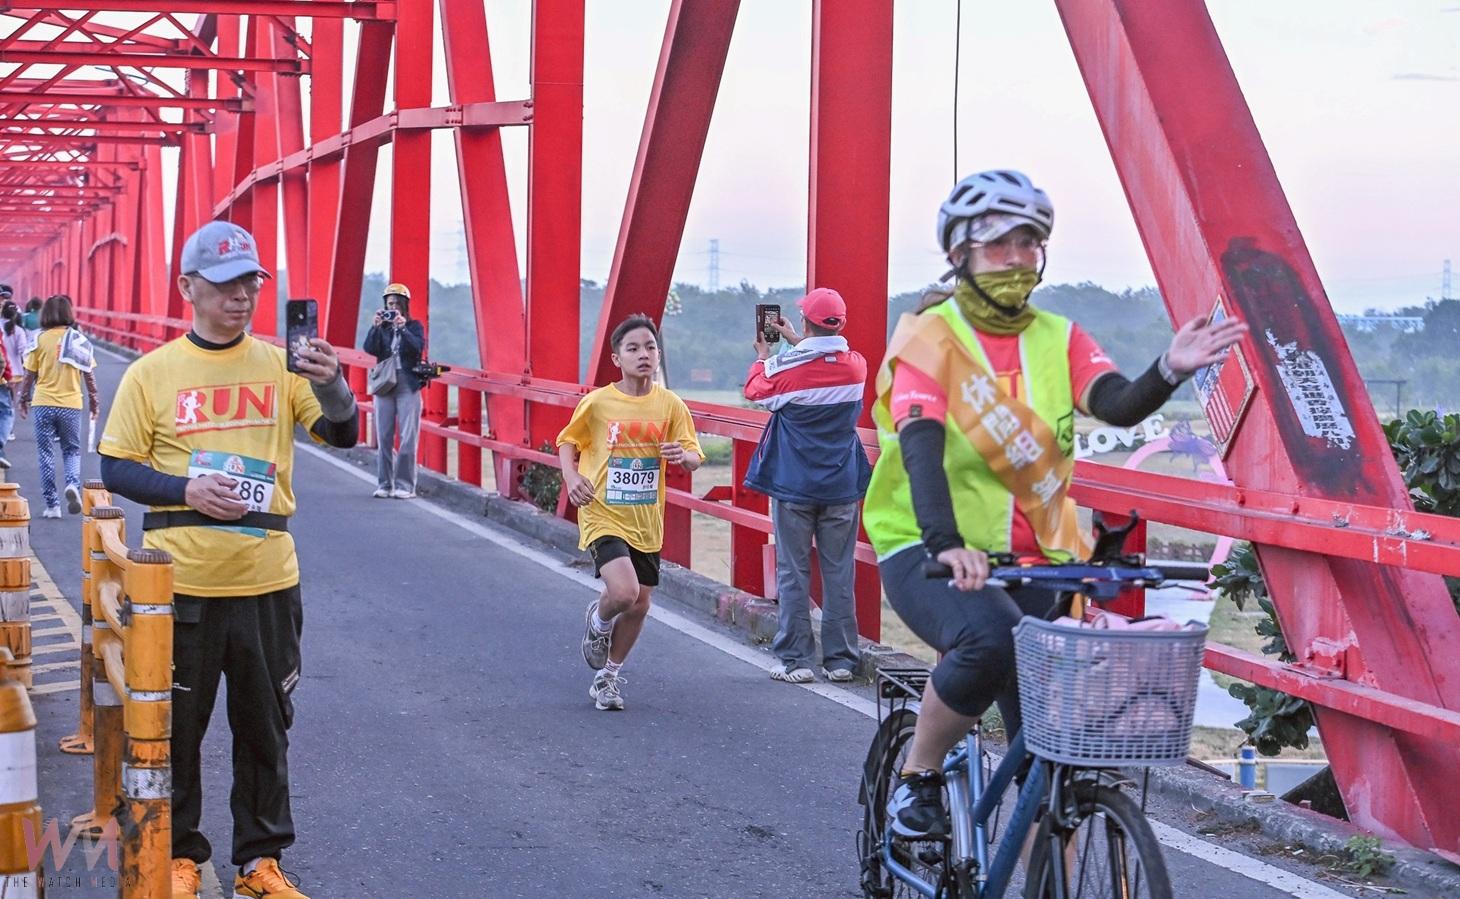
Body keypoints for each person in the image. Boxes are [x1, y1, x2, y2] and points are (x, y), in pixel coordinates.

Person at [866, 170, 1247, 839]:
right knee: (988, 640)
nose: (1016, 258)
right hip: (925, 547)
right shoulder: (929, 339)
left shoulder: (1058, 336)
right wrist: (943, 542)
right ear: (958, 254)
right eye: (998, 244)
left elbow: (1116, 403)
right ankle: (917, 776)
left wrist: (1170, 368)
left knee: (1054, 751)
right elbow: (922, 447)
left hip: (1035, 555)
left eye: (1028, 243)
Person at [98, 220, 360, 899]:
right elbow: (115, 465)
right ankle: (180, 855)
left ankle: (261, 861)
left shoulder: (280, 364)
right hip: (177, 584)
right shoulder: (153, 373)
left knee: (264, 725)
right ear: (188, 288)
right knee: (178, 728)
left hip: (267, 579)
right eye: (224, 286)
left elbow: (343, 431)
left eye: (250, 283)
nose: (240, 297)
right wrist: (185, 488)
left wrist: (333, 385)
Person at [558, 314, 703, 711]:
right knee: (624, 593)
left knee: (639, 605)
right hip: (601, 509)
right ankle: (598, 620)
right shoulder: (600, 402)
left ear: (659, 355)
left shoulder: (670, 404)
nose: (644, 354)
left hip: (645, 517)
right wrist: (571, 478)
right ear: (616, 358)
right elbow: (568, 441)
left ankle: (608, 678)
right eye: (633, 348)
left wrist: (684, 456)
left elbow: (693, 454)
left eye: (650, 347)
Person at [742, 287, 871, 683]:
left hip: (794, 485)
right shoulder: (856, 368)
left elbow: (755, 390)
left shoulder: (788, 372)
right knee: (839, 572)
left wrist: (764, 354)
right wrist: (802, 343)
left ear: (806, 322)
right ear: (841, 323)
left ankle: (797, 660)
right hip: (841, 485)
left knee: (793, 571)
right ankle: (841, 660)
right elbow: (828, 358)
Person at [18, 294, 99, 517]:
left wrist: (23, 399)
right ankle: (72, 484)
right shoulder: (79, 341)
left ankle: (52, 505)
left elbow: (29, 375)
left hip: (43, 403)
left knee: (45, 454)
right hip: (71, 405)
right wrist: (94, 402)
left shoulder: (39, 340)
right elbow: (89, 377)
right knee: (71, 451)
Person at [362, 282, 425, 499]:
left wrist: (403, 328)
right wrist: (376, 327)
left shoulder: (414, 326)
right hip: (384, 385)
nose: (393, 308)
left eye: (397, 304)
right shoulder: (383, 328)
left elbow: (417, 348)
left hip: (408, 383)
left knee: (408, 437)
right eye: (390, 304)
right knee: (384, 436)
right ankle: (385, 484)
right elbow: (369, 348)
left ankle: (405, 486)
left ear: (405, 306)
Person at [2, 301, 29, 443]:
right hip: (15, 371)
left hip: (2, 370)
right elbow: (22, 350)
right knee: (11, 401)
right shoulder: (18, 330)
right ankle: (8, 430)